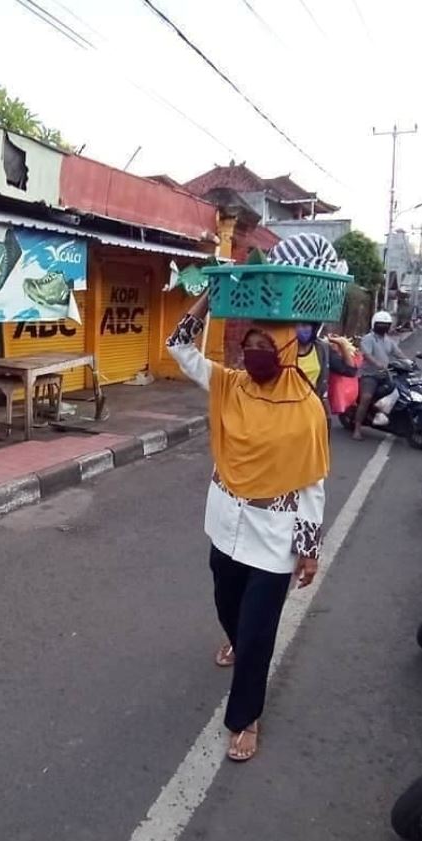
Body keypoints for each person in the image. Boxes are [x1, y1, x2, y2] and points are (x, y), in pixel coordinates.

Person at [166, 295, 329, 763]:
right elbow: (179, 349)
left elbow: (311, 485)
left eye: (265, 344)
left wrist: (309, 548)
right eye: (249, 342)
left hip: (275, 535)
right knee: (225, 600)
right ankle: (235, 638)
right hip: (225, 519)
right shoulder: (230, 384)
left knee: (258, 630)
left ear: (284, 350)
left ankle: (245, 717)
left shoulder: (307, 409)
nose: (253, 352)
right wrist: (204, 303)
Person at [353, 311, 410, 441]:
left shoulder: (388, 341)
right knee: (366, 397)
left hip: (385, 374)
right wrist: (377, 363)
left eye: (386, 325)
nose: (384, 327)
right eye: (381, 324)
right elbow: (366, 354)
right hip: (369, 375)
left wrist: (408, 361)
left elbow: (398, 353)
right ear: (374, 324)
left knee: (399, 391)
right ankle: (357, 428)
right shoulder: (368, 338)